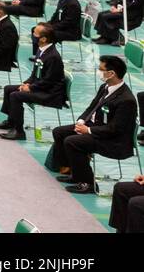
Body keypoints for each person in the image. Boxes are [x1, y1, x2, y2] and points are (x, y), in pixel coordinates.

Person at [47, 55, 138, 194]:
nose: (98, 71)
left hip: (113, 140)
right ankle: (74, 172)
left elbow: (115, 129)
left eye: (101, 69)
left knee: (73, 142)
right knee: (59, 132)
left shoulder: (126, 100)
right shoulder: (105, 87)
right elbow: (92, 107)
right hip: (96, 127)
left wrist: (88, 130)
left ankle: (88, 184)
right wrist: (81, 121)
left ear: (111, 73)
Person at [0, 23, 66, 141]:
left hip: (50, 93)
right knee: (8, 88)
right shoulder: (41, 50)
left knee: (16, 95)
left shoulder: (53, 56)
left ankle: (19, 131)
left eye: (35, 33)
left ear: (43, 39)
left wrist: (31, 88)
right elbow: (35, 74)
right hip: (41, 87)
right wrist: (26, 83)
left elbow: (49, 81)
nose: (33, 35)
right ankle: (11, 121)